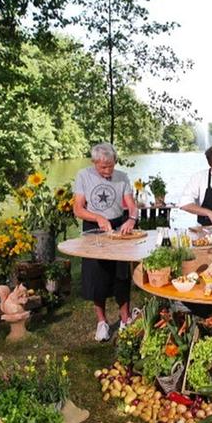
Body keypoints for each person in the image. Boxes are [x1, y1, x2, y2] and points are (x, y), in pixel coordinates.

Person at [73, 143, 138, 341]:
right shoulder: (83, 176)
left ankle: (125, 319)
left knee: (121, 275)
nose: (108, 170)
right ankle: (102, 323)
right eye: (103, 167)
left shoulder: (122, 177)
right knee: (97, 277)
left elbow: (132, 207)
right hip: (94, 228)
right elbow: (78, 209)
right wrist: (98, 218)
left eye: (111, 165)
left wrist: (131, 219)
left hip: (118, 227)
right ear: (94, 163)